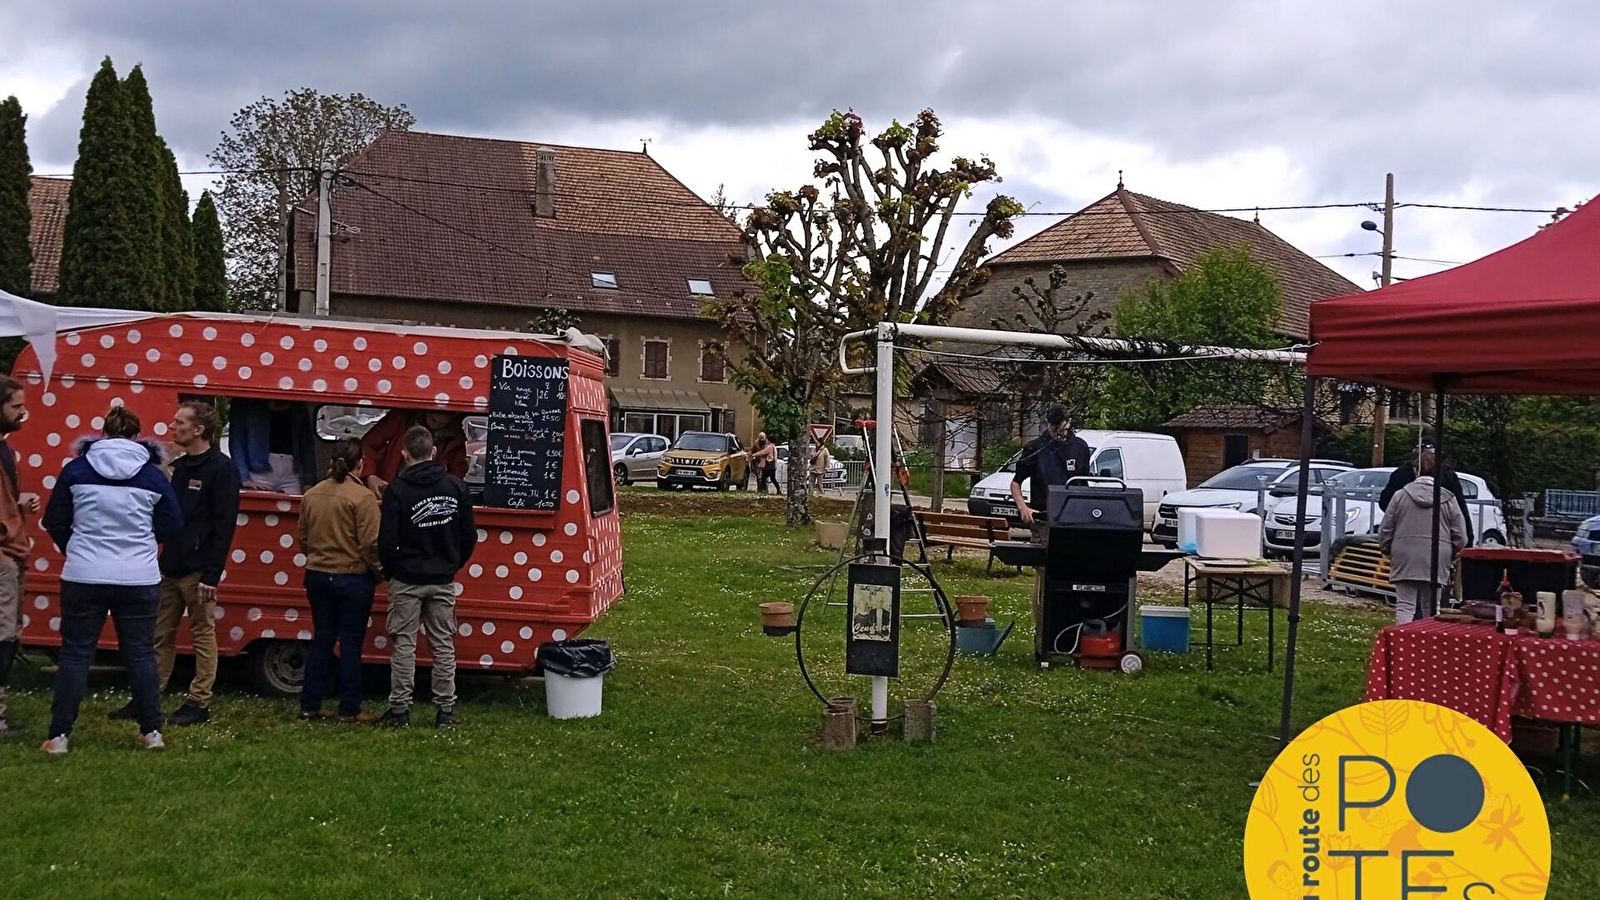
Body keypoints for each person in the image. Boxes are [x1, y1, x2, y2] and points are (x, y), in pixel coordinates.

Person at [39, 407, 183, 754]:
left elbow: (54, 519)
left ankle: (59, 737)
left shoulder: (76, 470)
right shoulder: (153, 477)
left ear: (102, 433)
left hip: (84, 573)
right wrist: (146, 542)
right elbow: (174, 524)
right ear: (137, 436)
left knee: (75, 654)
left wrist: (73, 547)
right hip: (138, 577)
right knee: (140, 654)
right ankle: (151, 732)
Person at [114, 402, 239, 727]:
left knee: (202, 634)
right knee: (159, 633)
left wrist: (212, 574)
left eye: (180, 422)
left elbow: (225, 525)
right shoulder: (181, 467)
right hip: (170, 564)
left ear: (199, 430)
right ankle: (147, 696)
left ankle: (199, 702)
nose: (172, 426)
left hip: (199, 569)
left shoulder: (221, 469)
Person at [377, 426, 476, 728]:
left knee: (405, 645)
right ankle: (445, 711)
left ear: (405, 454)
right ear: (433, 451)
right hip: (443, 578)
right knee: (443, 645)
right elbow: (468, 536)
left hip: (407, 578)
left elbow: (386, 541)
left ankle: (400, 711)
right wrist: (452, 563)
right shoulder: (456, 487)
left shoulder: (397, 490)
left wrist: (392, 569)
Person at [298, 439, 383, 723]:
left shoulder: (312, 494)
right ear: (360, 464)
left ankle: (310, 703)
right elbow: (370, 544)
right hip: (352, 578)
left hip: (317, 575)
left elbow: (304, 540)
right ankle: (350, 707)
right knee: (350, 643)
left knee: (322, 639)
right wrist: (379, 572)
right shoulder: (363, 498)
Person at [1379, 449, 1468, 624]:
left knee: (1405, 606)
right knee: (1432, 607)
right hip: (1437, 556)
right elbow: (1461, 535)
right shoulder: (1448, 499)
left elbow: (1385, 529)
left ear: (1415, 470)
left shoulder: (1399, 496)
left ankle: (1401, 644)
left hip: (1404, 554)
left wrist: (1388, 549)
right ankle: (1427, 645)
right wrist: (1453, 551)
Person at [0, 376, 38, 738]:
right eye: (15, 406)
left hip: (10, 549)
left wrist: (18, 504)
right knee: (3, 635)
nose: (22, 412)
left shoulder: (6, 449)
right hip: (3, 554)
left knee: (8, 633)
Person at [1011, 406, 1092, 542]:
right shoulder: (1035, 448)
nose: (1060, 435)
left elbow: (1084, 483)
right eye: (1055, 431)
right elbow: (1015, 483)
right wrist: (1023, 508)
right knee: (1043, 559)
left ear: (1069, 422)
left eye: (1063, 430)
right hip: (1043, 518)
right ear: (1048, 425)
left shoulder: (1081, 447)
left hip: (1073, 517)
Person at [1379, 436, 1475, 546]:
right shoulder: (1447, 476)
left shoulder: (1401, 475)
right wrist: (1468, 538)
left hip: (1406, 538)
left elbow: (1385, 502)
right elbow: (1461, 509)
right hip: (1441, 540)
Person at [362, 409, 468, 497]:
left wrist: (448, 492)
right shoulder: (400, 419)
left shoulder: (455, 437)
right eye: (433, 420)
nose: (436, 426)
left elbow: (458, 470)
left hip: (430, 494)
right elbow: (368, 444)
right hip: (392, 487)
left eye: (442, 425)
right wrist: (370, 475)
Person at [229, 398, 319, 493]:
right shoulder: (247, 404)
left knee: (294, 506)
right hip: (258, 471)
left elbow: (306, 445)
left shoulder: (299, 407)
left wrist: (308, 481)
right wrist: (244, 478)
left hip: (291, 470)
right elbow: (237, 441)